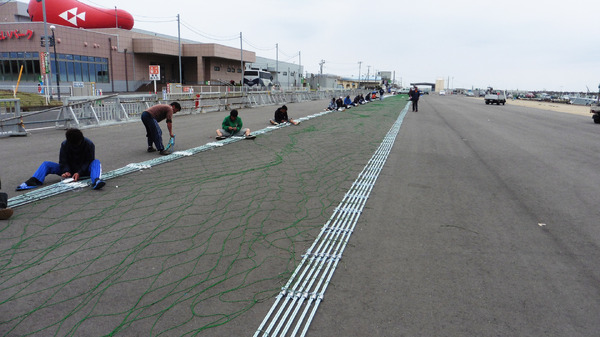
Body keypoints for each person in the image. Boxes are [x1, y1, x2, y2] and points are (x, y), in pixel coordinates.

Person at [16, 128, 105, 191]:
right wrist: (66, 171)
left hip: (84, 170)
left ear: (81, 139)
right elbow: (63, 161)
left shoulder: (89, 144)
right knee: (46, 164)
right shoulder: (65, 144)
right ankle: (34, 181)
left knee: (96, 162)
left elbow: (88, 161)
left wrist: (79, 172)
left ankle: (96, 180)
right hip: (70, 170)